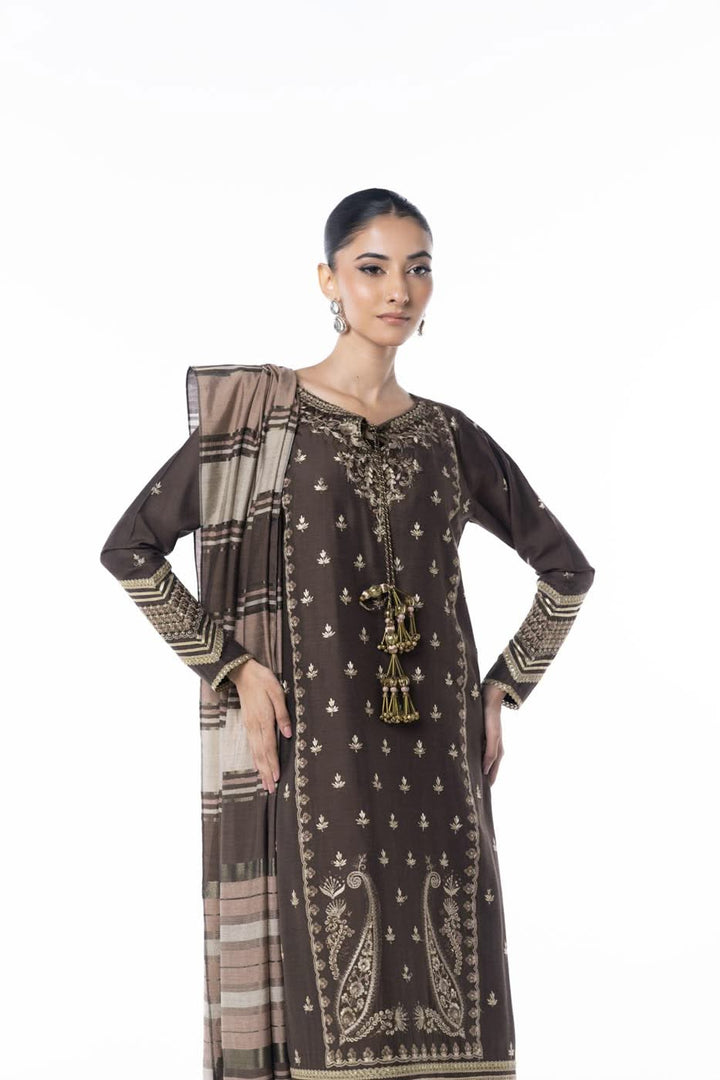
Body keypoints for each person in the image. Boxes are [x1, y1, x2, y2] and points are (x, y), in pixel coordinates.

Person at [100, 188, 595, 1080]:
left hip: (440, 757)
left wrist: (504, 686)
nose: (397, 290)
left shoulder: (449, 437)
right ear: (329, 279)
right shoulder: (264, 420)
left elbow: (567, 571)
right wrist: (233, 667)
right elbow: (131, 550)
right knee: (326, 983)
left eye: (418, 269)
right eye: (372, 268)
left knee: (453, 974)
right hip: (316, 744)